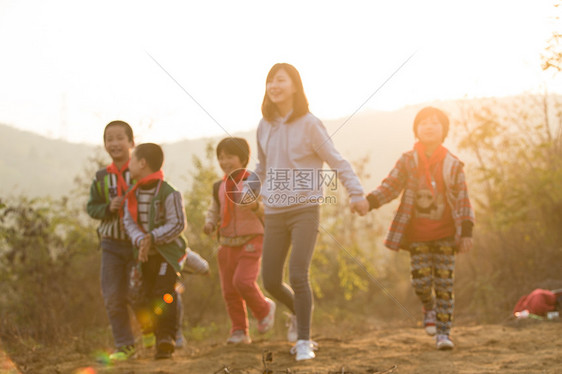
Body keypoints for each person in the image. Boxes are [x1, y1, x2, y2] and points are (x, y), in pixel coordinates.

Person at [254, 63, 369, 361]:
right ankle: (298, 313)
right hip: (274, 211)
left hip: (304, 208)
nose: (273, 86)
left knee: (297, 274)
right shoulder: (264, 125)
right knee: (268, 281)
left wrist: (356, 193)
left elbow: (337, 161)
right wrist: (248, 190)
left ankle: (304, 341)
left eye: (280, 80)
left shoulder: (309, 123)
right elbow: (262, 167)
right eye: (270, 81)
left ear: (295, 86)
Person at [365, 106, 475, 350]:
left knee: (445, 286)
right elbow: (390, 186)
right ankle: (429, 307)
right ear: (416, 129)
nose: (429, 126)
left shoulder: (452, 164)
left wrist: (466, 232)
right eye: (424, 122)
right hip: (416, 235)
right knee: (421, 283)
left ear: (444, 130)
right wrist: (369, 202)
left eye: (435, 122)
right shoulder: (408, 160)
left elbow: (463, 199)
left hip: (446, 235)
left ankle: (444, 334)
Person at [203, 137, 275, 344]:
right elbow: (214, 209)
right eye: (221, 157)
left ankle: (264, 309)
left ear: (243, 158)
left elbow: (268, 210)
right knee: (229, 290)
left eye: (230, 157)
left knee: (242, 281)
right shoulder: (219, 185)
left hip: (252, 238)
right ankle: (239, 331)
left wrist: (254, 207)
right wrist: (209, 223)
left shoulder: (254, 182)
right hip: (226, 243)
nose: (225, 162)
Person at [123, 143, 188, 359]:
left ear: (142, 163)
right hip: (144, 257)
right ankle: (153, 333)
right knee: (147, 295)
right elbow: (128, 222)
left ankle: (166, 338)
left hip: (165, 256)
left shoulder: (169, 193)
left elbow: (178, 223)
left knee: (164, 294)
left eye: (132, 160)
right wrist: (141, 239)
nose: (128, 165)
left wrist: (154, 237)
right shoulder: (132, 194)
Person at [86, 120, 138, 362]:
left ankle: (163, 334)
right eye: (110, 139)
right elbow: (92, 207)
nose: (114, 143)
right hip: (111, 243)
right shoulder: (101, 177)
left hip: (138, 244)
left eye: (120, 138)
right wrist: (108, 207)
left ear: (131, 142)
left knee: (138, 292)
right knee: (112, 295)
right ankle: (125, 344)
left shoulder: (140, 171)